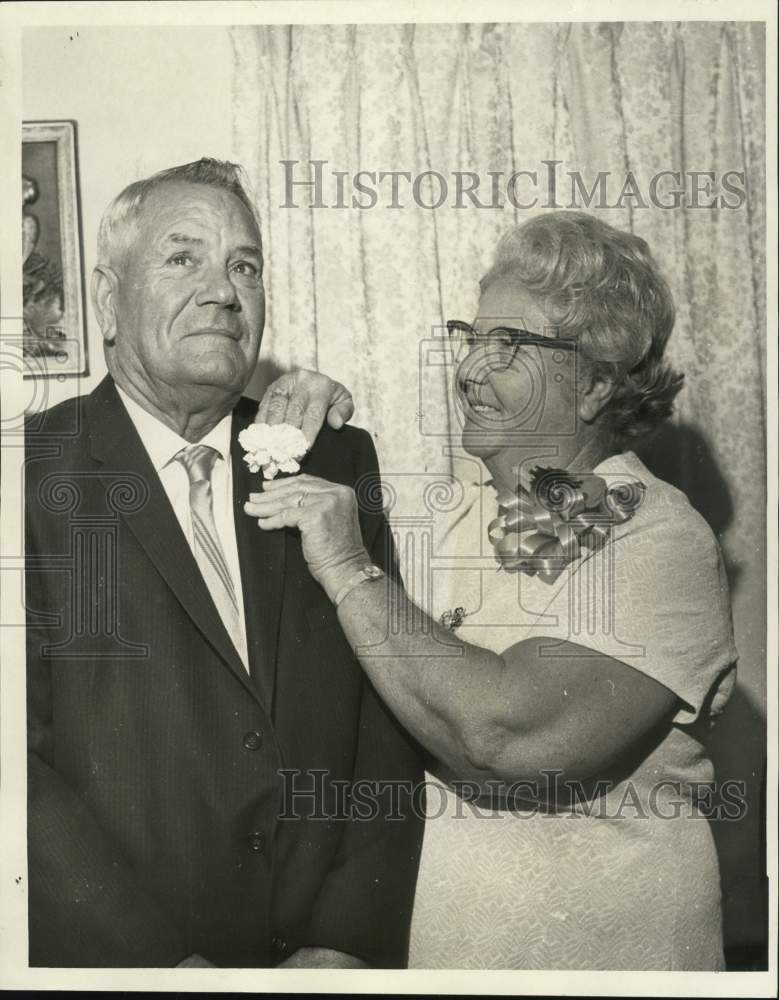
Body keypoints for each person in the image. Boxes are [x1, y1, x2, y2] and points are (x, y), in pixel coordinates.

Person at [245, 211, 738, 970]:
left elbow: (509, 738)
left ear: (596, 383)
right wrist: (300, 417)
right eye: (471, 337)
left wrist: (350, 569)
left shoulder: (661, 541)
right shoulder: (447, 513)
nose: (472, 367)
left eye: (509, 346)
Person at [25, 158, 424, 969]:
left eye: (245, 265)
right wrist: (155, 965)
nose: (223, 291)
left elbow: (387, 717)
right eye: (183, 258)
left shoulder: (335, 458)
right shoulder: (29, 476)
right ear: (107, 299)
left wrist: (346, 939)